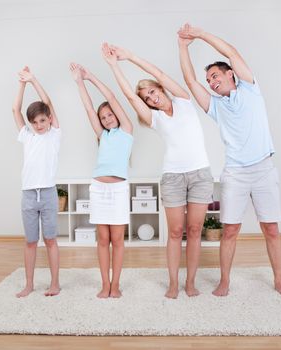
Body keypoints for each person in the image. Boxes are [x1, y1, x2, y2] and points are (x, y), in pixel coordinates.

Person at [178, 23, 281, 297]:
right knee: (230, 230)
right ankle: (224, 282)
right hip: (235, 173)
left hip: (264, 169)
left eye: (215, 75)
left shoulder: (250, 89)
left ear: (231, 74)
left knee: (271, 229)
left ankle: (279, 281)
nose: (211, 81)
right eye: (209, 80)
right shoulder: (215, 107)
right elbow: (190, 81)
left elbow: (231, 51)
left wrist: (200, 34)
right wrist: (183, 46)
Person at [103, 42, 213, 299]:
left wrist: (130, 55)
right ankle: (174, 283)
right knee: (175, 232)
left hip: (200, 174)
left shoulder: (184, 100)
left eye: (153, 92)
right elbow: (130, 97)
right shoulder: (155, 119)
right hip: (173, 177)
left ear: (160, 89)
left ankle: (191, 282)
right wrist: (114, 66)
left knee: (195, 231)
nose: (152, 98)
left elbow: (161, 74)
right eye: (148, 98)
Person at [69, 48, 133, 298]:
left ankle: (115, 284)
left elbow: (112, 96)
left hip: (117, 190)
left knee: (117, 240)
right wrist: (78, 83)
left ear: (116, 115)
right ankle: (104, 284)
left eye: (109, 115)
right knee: (102, 240)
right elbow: (88, 109)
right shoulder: (102, 135)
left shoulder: (126, 129)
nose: (106, 119)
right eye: (103, 117)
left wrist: (90, 76)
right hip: (98, 189)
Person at [12, 66, 61, 298]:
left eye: (42, 120)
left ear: (49, 119)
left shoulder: (54, 135)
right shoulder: (27, 137)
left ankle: (55, 284)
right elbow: (15, 109)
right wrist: (22, 83)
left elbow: (48, 101)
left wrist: (33, 80)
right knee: (31, 241)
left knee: (50, 240)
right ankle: (29, 284)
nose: (39, 125)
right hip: (29, 195)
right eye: (35, 122)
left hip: (49, 194)